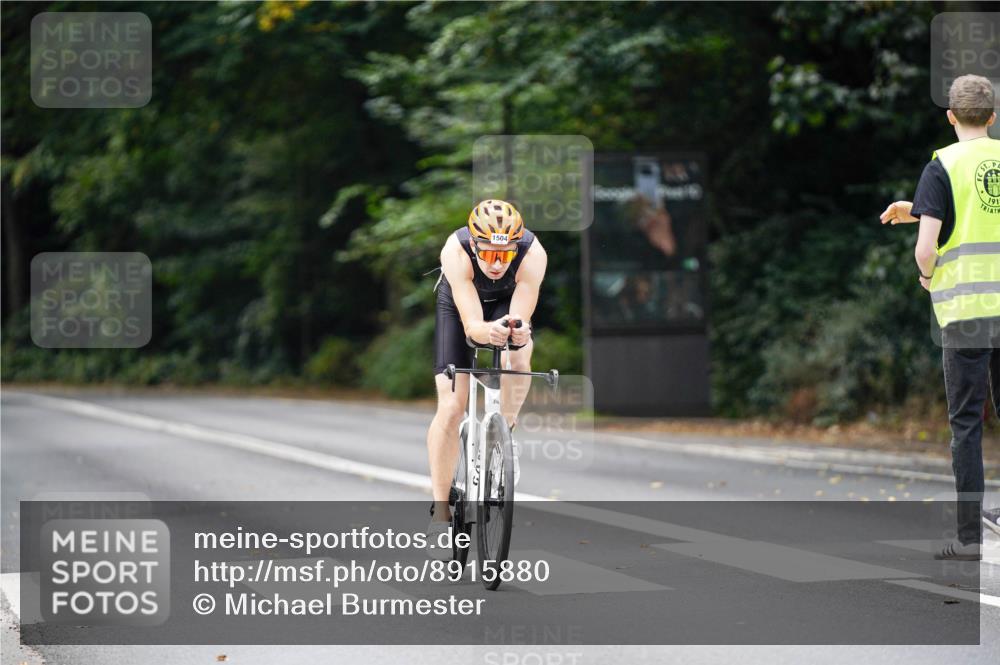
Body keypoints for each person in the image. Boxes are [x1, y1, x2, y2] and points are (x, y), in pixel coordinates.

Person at [880, 74, 1000, 559]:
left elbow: (927, 248)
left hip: (967, 312)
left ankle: (970, 539)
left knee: (967, 424)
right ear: (992, 117)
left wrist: (928, 278)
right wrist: (920, 209)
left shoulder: (941, 166)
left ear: (951, 116)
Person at [425, 199, 547, 556]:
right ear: (475, 246)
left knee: (520, 353)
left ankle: (503, 435)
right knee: (452, 406)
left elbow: (519, 320)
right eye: (489, 254)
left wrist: (518, 332)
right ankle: (441, 512)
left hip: (505, 303)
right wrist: (484, 331)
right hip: (462, 307)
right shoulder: (455, 251)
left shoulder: (533, 254)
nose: (496, 264)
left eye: (505, 255)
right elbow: (473, 326)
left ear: (516, 248)